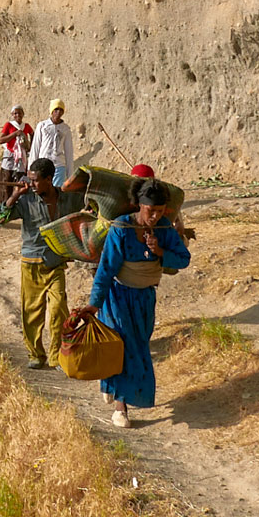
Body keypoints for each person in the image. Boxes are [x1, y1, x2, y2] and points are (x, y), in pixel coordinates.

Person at [88, 177, 190, 427]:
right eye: (150, 210)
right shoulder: (121, 229)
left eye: (159, 211)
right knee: (124, 347)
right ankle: (121, 408)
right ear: (138, 206)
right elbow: (106, 269)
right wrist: (94, 304)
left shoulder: (165, 230)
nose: (154, 216)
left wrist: (160, 253)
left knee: (140, 344)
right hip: (117, 295)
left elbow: (183, 260)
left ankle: (110, 384)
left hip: (145, 298)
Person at [0, 158, 70, 369]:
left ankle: (56, 356)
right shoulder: (26, 200)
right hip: (31, 264)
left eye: (36, 180)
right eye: (30, 180)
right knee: (32, 312)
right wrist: (14, 196)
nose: (31, 184)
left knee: (58, 310)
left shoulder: (66, 199)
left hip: (56, 263)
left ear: (49, 179)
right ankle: (36, 355)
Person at [31, 99, 75, 185]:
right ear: (51, 111)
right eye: (56, 109)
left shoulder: (66, 129)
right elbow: (35, 148)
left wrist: (70, 176)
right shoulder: (42, 126)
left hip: (59, 166)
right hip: (43, 166)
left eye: (61, 110)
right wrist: (31, 169)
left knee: (56, 193)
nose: (58, 112)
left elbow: (69, 152)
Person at [0, 106, 34, 207]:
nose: (18, 115)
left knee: (20, 180)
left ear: (23, 114)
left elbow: (33, 134)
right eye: (15, 113)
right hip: (10, 155)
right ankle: (4, 205)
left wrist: (30, 145)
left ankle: (17, 205)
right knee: (6, 180)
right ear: (12, 115)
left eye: (19, 113)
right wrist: (15, 134)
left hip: (22, 157)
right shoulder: (9, 125)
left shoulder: (26, 126)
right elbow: (1, 140)